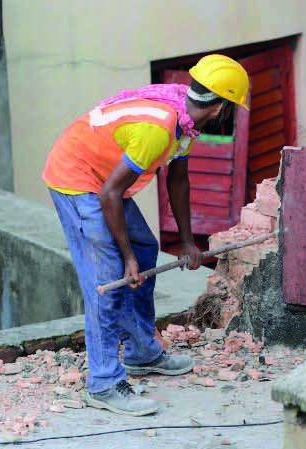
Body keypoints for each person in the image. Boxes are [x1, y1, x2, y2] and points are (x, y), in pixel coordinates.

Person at [43, 55, 250, 415]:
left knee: (145, 246)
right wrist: (126, 258)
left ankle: (142, 351)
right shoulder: (160, 129)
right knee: (108, 277)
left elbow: (178, 178)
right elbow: (109, 194)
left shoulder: (185, 120)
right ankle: (104, 381)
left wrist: (188, 241)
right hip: (77, 178)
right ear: (221, 108)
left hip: (105, 180)